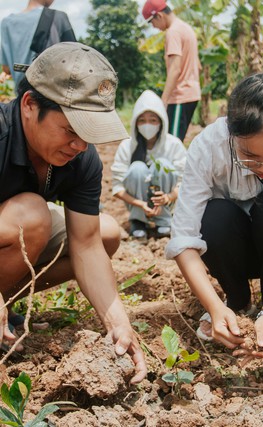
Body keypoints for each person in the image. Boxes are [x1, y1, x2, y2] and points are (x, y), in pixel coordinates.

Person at [0, 41, 147, 383]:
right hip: (17, 222)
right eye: (70, 130)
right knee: (32, 216)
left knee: (105, 232)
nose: (80, 145)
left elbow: (87, 245)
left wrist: (118, 323)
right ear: (29, 105)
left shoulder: (82, 158)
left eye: (89, 133)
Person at [165, 72, 263, 363]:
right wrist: (212, 306)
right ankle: (236, 301)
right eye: (248, 156)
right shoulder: (209, 145)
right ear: (230, 133)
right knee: (214, 214)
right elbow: (183, 240)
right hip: (234, 249)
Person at [111, 90, 186, 239]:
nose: (147, 125)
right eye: (142, 120)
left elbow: (184, 180)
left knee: (164, 165)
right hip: (136, 203)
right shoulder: (127, 147)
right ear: (135, 123)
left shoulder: (173, 145)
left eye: (153, 120)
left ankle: (163, 220)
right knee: (137, 168)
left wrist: (168, 197)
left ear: (161, 122)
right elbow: (117, 187)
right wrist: (140, 204)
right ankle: (138, 220)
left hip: (166, 201)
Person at [142, 0, 201, 142]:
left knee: (171, 144)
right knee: (174, 141)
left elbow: (175, 69)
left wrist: (163, 101)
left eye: (151, 22)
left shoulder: (173, 32)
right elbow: (198, 65)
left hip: (180, 96)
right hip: (191, 93)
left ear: (159, 16)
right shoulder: (186, 28)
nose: (154, 27)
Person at [0, 0, 76, 89]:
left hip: (22, 98)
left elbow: (7, 69)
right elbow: (76, 60)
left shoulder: (6, 23)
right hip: (51, 97)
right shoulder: (59, 17)